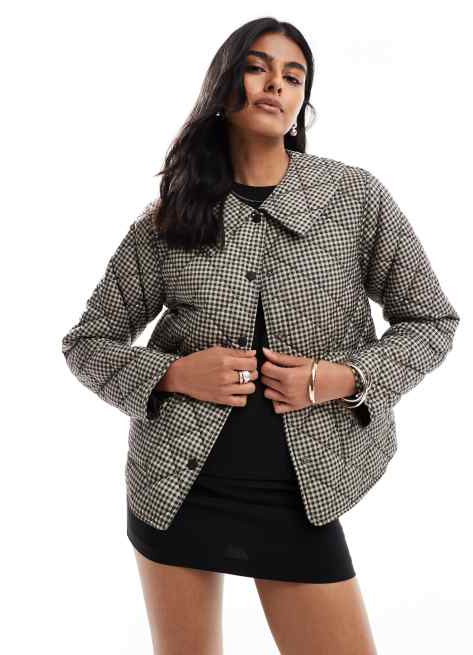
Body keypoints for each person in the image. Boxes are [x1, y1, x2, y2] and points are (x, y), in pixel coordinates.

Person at [61, 17, 460, 655]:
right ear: (224, 87)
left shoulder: (353, 198)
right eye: (257, 68)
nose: (276, 84)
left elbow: (431, 321)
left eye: (293, 76)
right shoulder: (171, 218)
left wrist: (344, 378)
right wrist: (171, 374)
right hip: (176, 487)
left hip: (302, 493)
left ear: (302, 101)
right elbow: (87, 342)